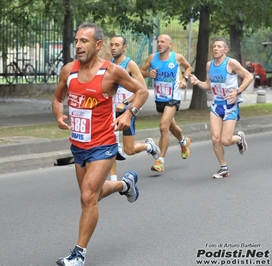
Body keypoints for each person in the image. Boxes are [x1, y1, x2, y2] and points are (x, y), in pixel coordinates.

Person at [52, 22, 149, 266]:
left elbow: (141, 91)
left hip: (104, 144)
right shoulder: (68, 71)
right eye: (76, 41)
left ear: (97, 45)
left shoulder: (111, 72)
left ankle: (78, 254)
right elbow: (56, 98)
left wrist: (129, 113)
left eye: (83, 41)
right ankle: (124, 185)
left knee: (87, 197)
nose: (78, 45)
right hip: (78, 145)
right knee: (91, 196)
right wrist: (58, 115)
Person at [189, 37, 252, 178]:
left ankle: (239, 139)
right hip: (216, 105)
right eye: (214, 46)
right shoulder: (209, 65)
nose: (215, 49)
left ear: (225, 49)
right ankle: (223, 168)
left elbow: (248, 77)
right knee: (215, 139)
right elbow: (208, 85)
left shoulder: (231, 63)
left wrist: (238, 91)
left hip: (230, 105)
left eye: (219, 46)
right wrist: (197, 82)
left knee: (225, 140)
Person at [108, 35, 160, 181]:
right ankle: (113, 179)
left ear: (124, 47)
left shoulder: (130, 65)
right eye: (111, 44)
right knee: (111, 144)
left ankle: (149, 146)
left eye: (117, 45)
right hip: (112, 111)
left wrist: (125, 102)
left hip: (128, 111)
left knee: (129, 150)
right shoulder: (109, 65)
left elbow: (142, 89)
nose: (113, 47)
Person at [140, 34, 193, 173]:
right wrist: (148, 74)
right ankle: (183, 141)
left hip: (172, 97)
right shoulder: (152, 58)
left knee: (164, 126)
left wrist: (184, 80)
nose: (159, 44)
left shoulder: (177, 57)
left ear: (169, 44)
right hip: (159, 98)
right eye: (158, 41)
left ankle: (160, 161)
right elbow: (141, 70)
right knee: (171, 126)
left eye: (163, 42)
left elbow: (188, 67)